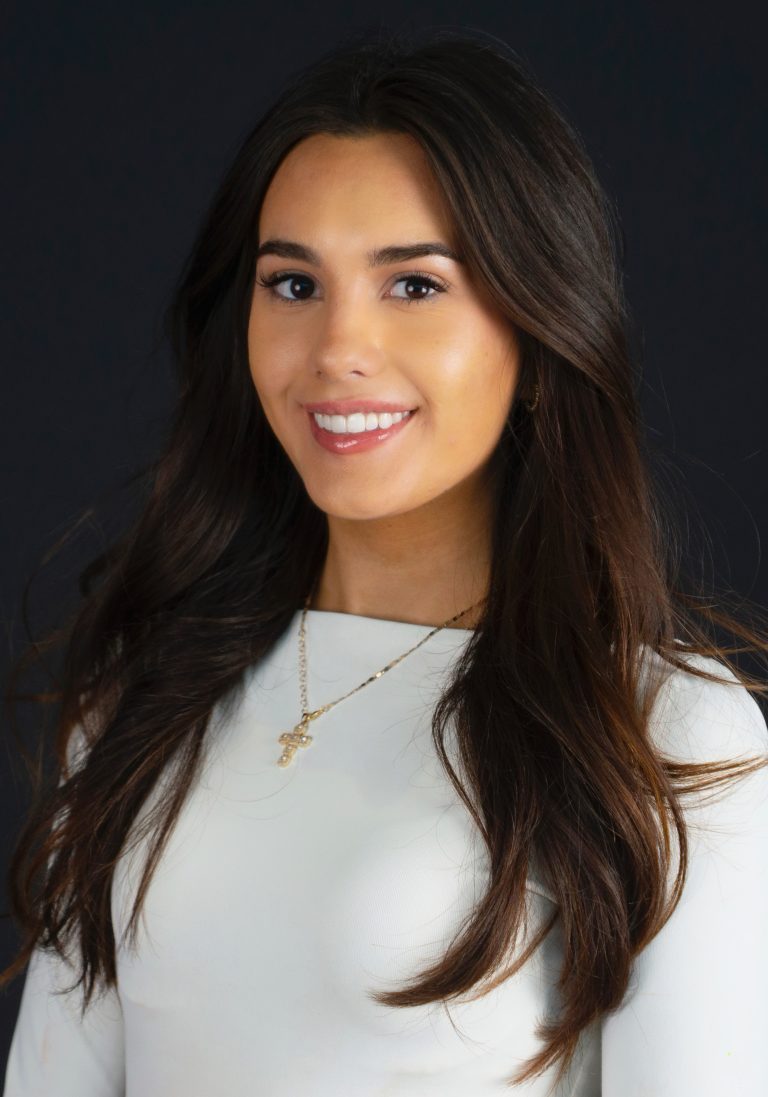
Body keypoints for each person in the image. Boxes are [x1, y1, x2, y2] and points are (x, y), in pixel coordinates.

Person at [2, 25, 768, 1097]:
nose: (337, 351)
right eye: (292, 284)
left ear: (540, 328)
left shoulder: (662, 737)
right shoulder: (143, 700)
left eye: (413, 286)